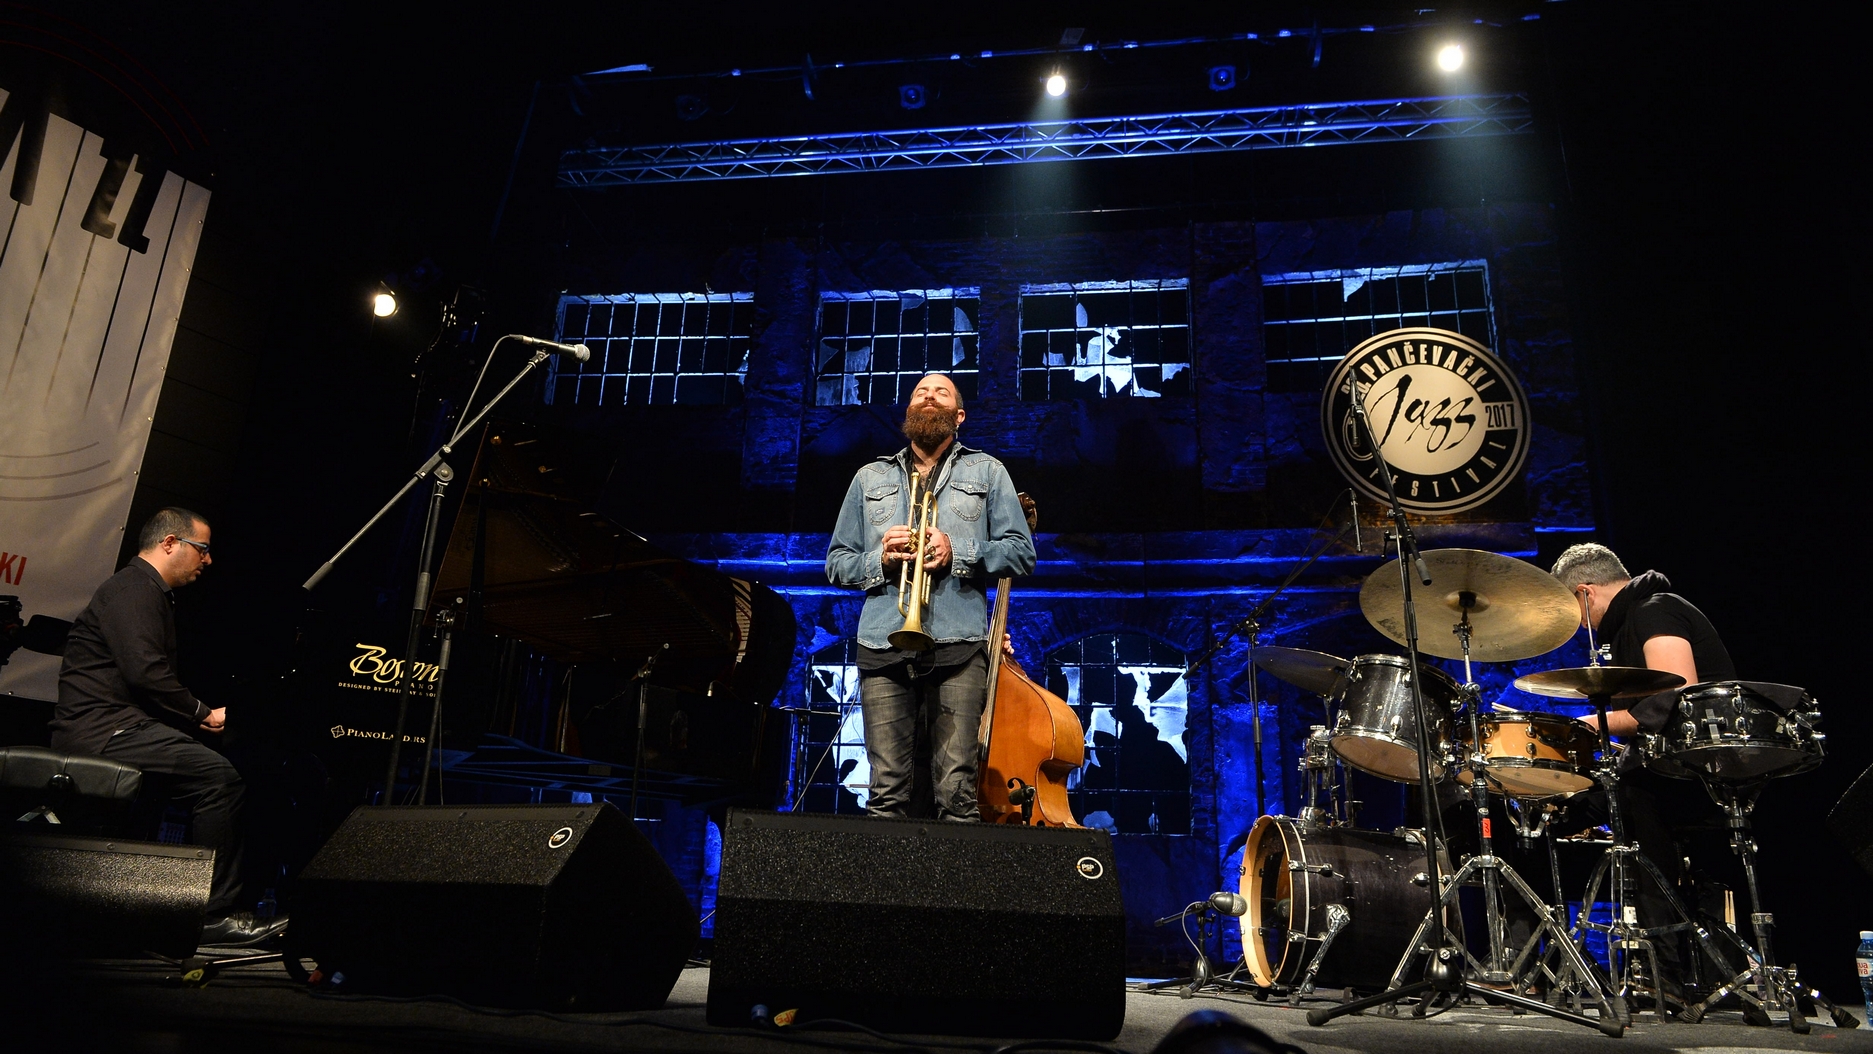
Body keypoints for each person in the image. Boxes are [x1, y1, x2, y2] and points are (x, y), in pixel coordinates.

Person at [51, 507, 287, 947]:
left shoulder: (145, 591)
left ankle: (153, 908)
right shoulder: (133, 588)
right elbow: (146, 672)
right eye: (203, 549)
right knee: (219, 780)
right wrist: (202, 713)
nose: (208, 560)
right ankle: (211, 916)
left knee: (218, 769)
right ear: (169, 543)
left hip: (120, 726)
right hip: (104, 731)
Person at [826, 374, 1035, 821]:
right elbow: (836, 562)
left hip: (959, 645)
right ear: (909, 411)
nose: (928, 396)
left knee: (957, 795)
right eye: (920, 392)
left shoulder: (988, 471)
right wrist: (879, 559)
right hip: (883, 644)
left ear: (958, 416)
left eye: (941, 392)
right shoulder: (870, 477)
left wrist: (957, 550)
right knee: (884, 796)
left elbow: (1021, 553)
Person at [1550, 542, 1736, 1003]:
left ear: (1585, 594)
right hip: (1657, 767)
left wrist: (1592, 725)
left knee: (1633, 793)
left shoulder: (1655, 610)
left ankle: (1662, 974)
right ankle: (1556, 964)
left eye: (1571, 611)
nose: (1577, 625)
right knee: (1544, 815)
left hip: (1697, 773)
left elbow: (1678, 697)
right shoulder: (1627, 627)